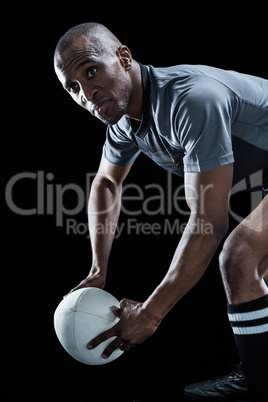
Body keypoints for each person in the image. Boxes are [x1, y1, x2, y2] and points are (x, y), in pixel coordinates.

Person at [54, 22, 268, 401]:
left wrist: (151, 314)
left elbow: (207, 223)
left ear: (123, 58)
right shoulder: (124, 121)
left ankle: (257, 384)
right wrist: (98, 269)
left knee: (240, 257)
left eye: (90, 72)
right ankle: (257, 373)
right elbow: (106, 184)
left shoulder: (191, 99)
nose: (87, 94)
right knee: (256, 284)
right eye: (73, 88)